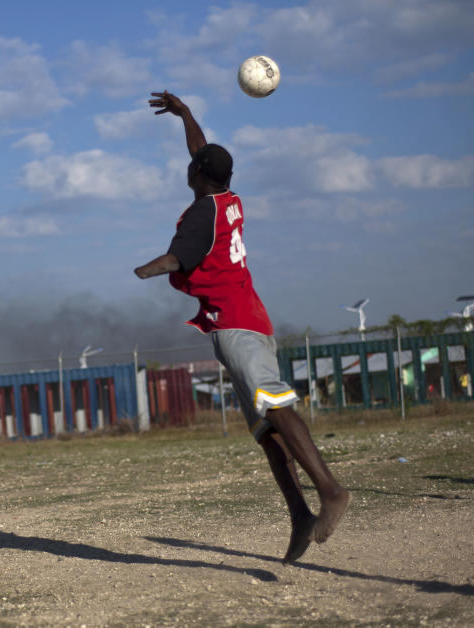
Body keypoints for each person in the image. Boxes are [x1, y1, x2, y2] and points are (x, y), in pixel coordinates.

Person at [134, 91, 350, 564]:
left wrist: (143, 270)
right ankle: (299, 516)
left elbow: (179, 257)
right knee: (267, 432)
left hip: (237, 324)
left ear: (197, 177)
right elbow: (202, 152)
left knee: (274, 404)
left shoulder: (200, 213)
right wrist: (186, 115)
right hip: (246, 320)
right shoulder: (228, 199)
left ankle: (330, 491)